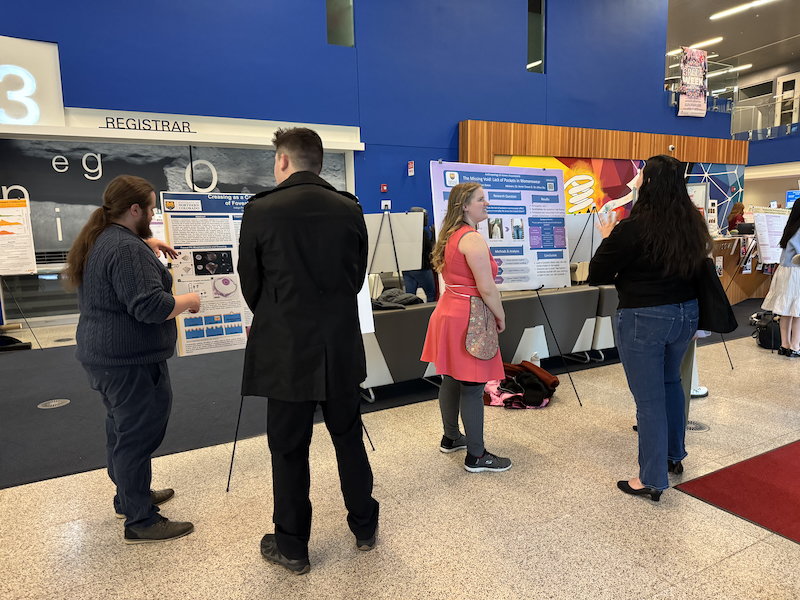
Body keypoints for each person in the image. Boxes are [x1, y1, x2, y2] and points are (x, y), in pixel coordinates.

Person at [238, 127, 379, 575]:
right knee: (348, 439)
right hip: (339, 346)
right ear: (320, 163)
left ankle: (293, 546)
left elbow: (251, 285)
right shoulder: (349, 208)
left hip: (286, 352)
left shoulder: (260, 210)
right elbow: (356, 278)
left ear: (283, 161)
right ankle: (364, 527)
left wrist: (281, 316)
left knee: (288, 450)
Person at [63, 175, 200, 543]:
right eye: (151, 208)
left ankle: (129, 495)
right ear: (134, 209)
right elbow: (150, 307)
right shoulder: (125, 249)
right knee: (137, 435)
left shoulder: (106, 238)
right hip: (129, 362)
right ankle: (140, 520)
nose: (154, 215)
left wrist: (145, 242)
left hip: (107, 358)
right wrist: (188, 302)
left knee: (121, 430)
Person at [588, 155, 710, 502]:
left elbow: (597, 272)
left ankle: (652, 478)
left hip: (644, 318)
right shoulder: (691, 224)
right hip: (686, 315)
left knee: (649, 400)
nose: (636, 177)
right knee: (672, 382)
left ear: (651, 182)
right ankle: (673, 456)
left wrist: (609, 236)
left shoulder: (633, 227)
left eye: (641, 173)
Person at [421, 182, 511, 473]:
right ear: (465, 206)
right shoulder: (472, 239)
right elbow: (486, 288)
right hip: (469, 317)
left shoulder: (450, 235)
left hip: (448, 311)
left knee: (450, 377)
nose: (486, 204)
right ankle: (476, 455)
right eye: (481, 200)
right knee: (472, 387)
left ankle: (451, 437)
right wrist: (500, 315)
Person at [761, 199, 800, 356]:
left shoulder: (790, 228)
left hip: (784, 272)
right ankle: (796, 346)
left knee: (786, 311)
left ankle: (784, 345)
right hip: (796, 272)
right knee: (797, 311)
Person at [403, 207, 437, 302]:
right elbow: (429, 250)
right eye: (426, 217)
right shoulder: (423, 232)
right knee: (430, 294)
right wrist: (434, 236)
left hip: (407, 268)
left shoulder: (405, 231)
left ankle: (411, 316)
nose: (427, 219)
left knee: (409, 298)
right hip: (421, 268)